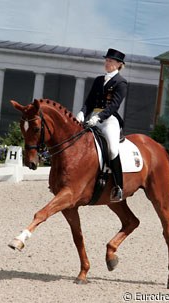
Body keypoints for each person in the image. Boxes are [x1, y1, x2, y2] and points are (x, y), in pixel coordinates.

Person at [76, 48, 127, 202]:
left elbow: (114, 106)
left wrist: (99, 117)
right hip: (93, 118)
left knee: (112, 149)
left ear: (118, 64)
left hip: (109, 120)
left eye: (110, 61)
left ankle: (119, 187)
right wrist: (82, 112)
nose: (107, 63)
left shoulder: (121, 82)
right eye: (106, 60)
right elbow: (90, 101)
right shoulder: (99, 80)